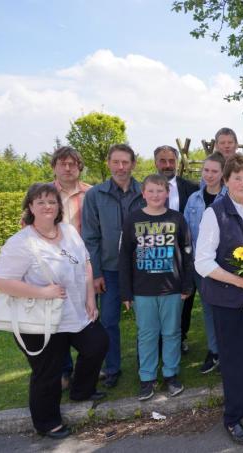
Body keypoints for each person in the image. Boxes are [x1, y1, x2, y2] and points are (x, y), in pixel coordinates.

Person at [0, 183, 108, 439]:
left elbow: (86, 262)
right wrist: (43, 292)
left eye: (52, 202)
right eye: (41, 202)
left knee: (97, 344)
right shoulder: (20, 242)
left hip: (76, 312)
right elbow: (1, 282)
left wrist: (90, 297)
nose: (47, 206)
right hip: (42, 320)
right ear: (30, 207)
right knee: (48, 371)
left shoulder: (68, 230)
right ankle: (47, 423)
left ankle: (81, 390)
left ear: (59, 207)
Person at [194, 154, 243, 446]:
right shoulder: (215, 213)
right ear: (226, 181)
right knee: (235, 359)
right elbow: (203, 263)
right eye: (236, 177)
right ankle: (232, 416)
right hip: (228, 301)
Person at [118, 174, 195, 401]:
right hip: (142, 290)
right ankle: (147, 378)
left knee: (172, 333)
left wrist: (187, 284)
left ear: (167, 193)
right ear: (143, 194)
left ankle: (171, 375)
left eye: (160, 191)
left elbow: (188, 253)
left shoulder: (177, 219)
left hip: (172, 288)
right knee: (147, 334)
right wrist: (126, 291)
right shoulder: (132, 220)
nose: (155, 195)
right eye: (150, 191)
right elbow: (123, 257)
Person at [81, 144, 147, 388]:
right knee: (108, 320)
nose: (121, 167)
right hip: (108, 269)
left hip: (142, 268)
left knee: (146, 320)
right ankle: (112, 368)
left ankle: (146, 365)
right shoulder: (95, 195)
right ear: (108, 163)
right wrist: (95, 273)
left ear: (133, 164)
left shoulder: (145, 191)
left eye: (126, 162)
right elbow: (91, 237)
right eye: (116, 162)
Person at [49, 146, 93, 391]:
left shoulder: (91, 193)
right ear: (54, 166)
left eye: (73, 164)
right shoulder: (43, 194)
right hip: (53, 268)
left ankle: (88, 368)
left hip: (83, 265)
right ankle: (65, 371)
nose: (68, 168)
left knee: (87, 317)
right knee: (59, 321)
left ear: (79, 167)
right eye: (63, 164)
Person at [184, 152, 228, 374]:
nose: (209, 175)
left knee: (229, 310)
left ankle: (229, 350)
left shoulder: (229, 197)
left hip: (226, 267)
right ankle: (215, 351)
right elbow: (186, 234)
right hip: (201, 267)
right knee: (209, 309)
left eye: (214, 171)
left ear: (222, 173)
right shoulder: (194, 200)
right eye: (206, 170)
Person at [155, 145, 200, 354]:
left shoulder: (191, 188)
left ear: (177, 162)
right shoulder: (146, 187)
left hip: (183, 253)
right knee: (158, 300)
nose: (167, 165)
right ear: (156, 163)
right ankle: (157, 341)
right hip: (155, 254)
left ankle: (181, 337)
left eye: (171, 161)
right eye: (162, 161)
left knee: (186, 297)